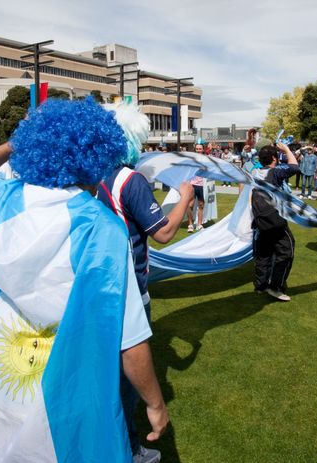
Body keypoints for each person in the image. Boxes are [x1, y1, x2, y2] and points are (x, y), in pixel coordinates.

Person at [0, 99, 168, 462]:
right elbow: (130, 340)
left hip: (3, 378)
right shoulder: (102, 229)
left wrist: (14, 143)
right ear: (96, 157)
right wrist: (155, 402)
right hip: (68, 386)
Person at [95, 101, 192, 462]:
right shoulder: (127, 179)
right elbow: (163, 233)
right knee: (126, 382)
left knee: (99, 374)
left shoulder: (87, 173)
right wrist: (184, 198)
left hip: (91, 287)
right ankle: (128, 449)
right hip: (128, 288)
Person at [252, 143, 300, 301]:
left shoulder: (254, 172)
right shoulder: (275, 172)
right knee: (287, 251)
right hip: (275, 219)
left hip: (260, 220)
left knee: (263, 254)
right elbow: (294, 167)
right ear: (274, 158)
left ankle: (261, 286)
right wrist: (286, 149)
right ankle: (276, 286)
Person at [186, 144, 207, 232]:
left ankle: (199, 225)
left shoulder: (205, 159)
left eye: (200, 149)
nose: (198, 150)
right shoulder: (192, 159)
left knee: (201, 205)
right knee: (190, 205)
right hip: (192, 184)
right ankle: (190, 225)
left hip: (201, 185)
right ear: (195, 149)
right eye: (197, 149)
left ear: (203, 149)